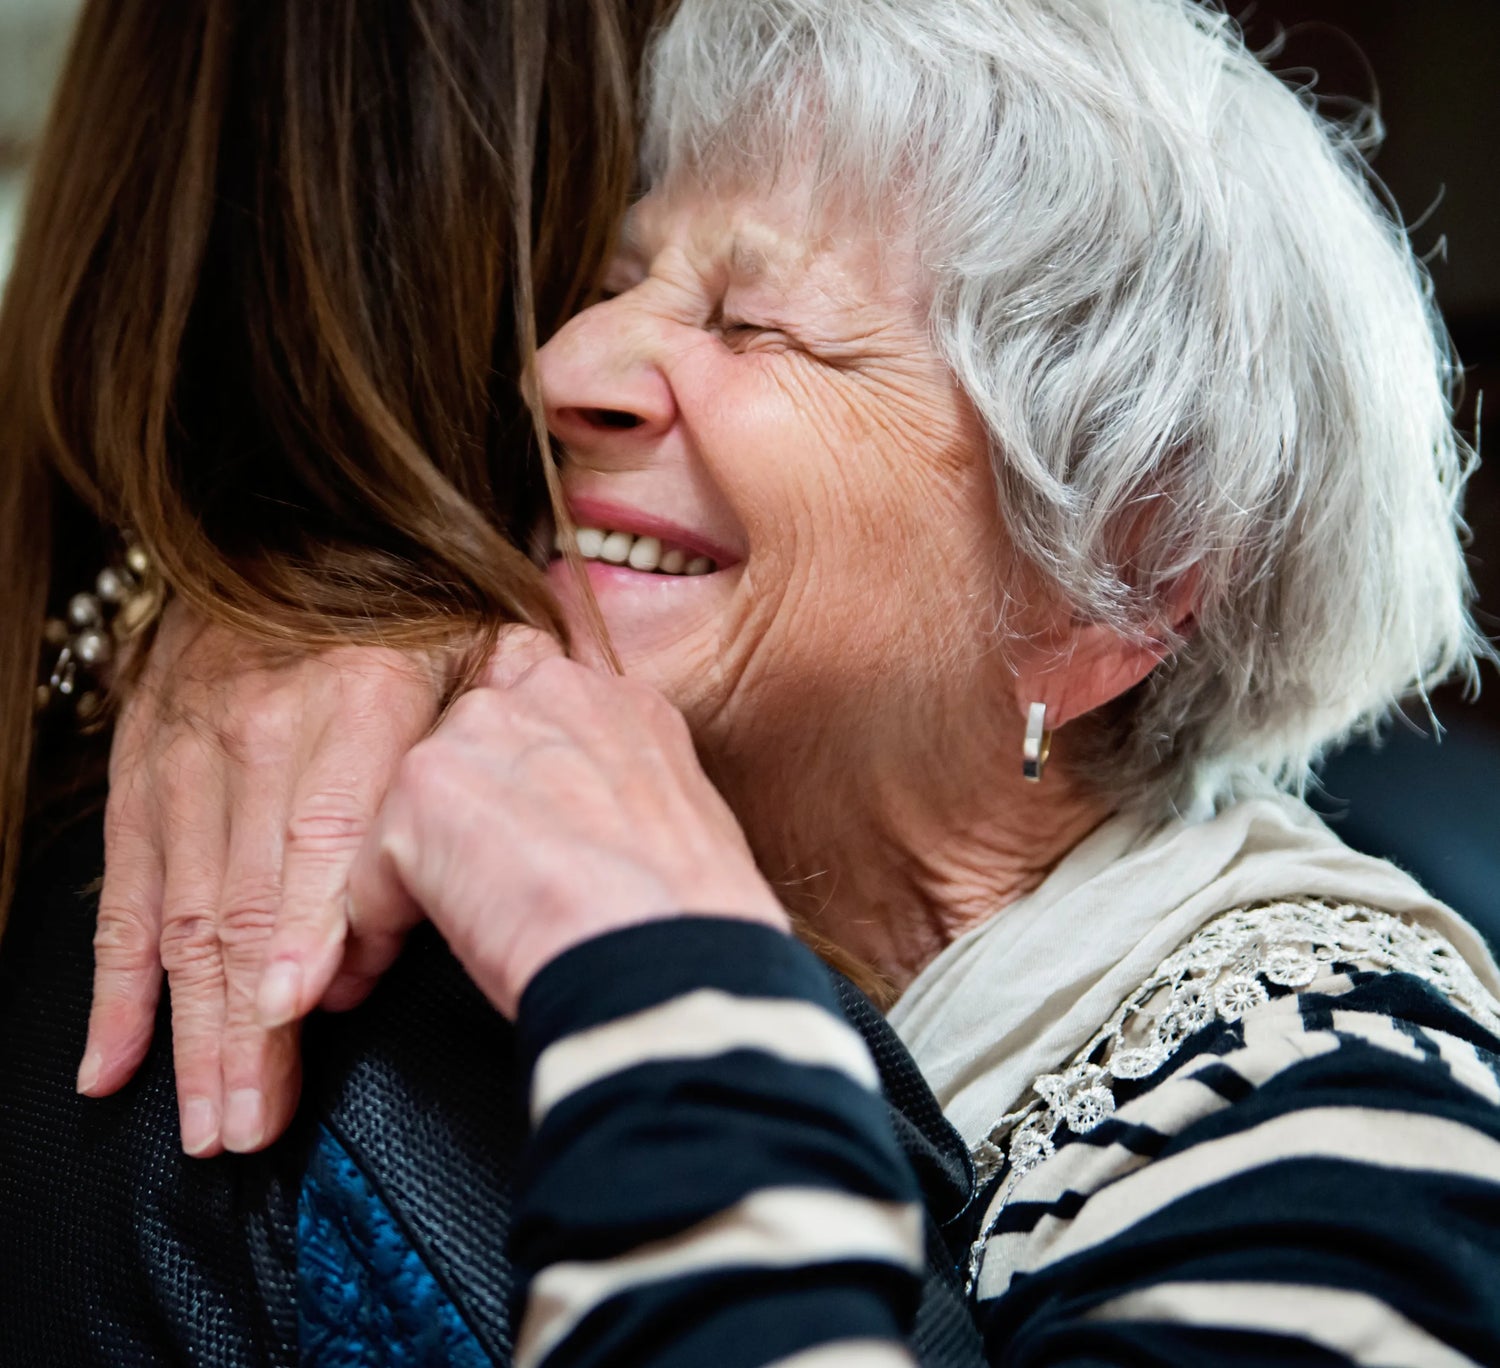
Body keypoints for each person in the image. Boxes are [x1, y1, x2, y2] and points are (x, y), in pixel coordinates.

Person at [24, 0, 1500, 1362]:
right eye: (614, 282)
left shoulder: (1338, 1094)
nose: (565, 364)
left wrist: (654, 961)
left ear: (1115, 568)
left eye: (753, 322)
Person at [0, 1, 983, 1364]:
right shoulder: (450, 956)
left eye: (749, 311)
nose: (590, 360)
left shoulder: (66, 717)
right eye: (641, 244)